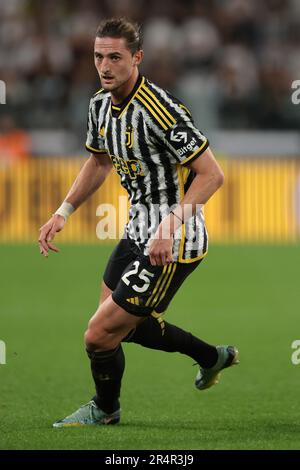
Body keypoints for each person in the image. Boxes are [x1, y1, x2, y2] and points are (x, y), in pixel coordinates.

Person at [38, 18, 239, 427]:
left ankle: (105, 410)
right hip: (135, 231)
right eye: (98, 56)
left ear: (137, 58)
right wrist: (64, 211)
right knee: (117, 330)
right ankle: (211, 356)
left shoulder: (161, 109)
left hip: (174, 240)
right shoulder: (99, 105)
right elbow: (98, 162)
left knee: (98, 334)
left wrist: (168, 225)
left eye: (115, 57)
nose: (105, 66)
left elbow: (212, 174)